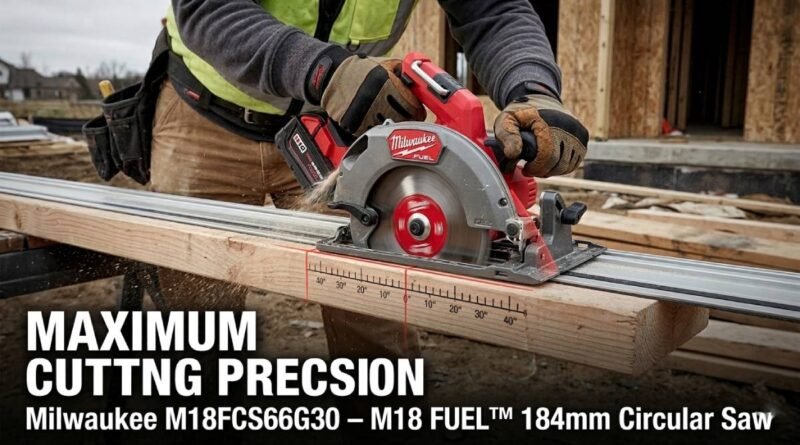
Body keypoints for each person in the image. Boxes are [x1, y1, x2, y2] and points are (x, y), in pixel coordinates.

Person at [151, 0, 588, 369]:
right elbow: (208, 8)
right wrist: (324, 71)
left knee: (372, 315)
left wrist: (532, 87)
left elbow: (493, 11)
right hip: (206, 117)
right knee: (194, 324)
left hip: (335, 125)